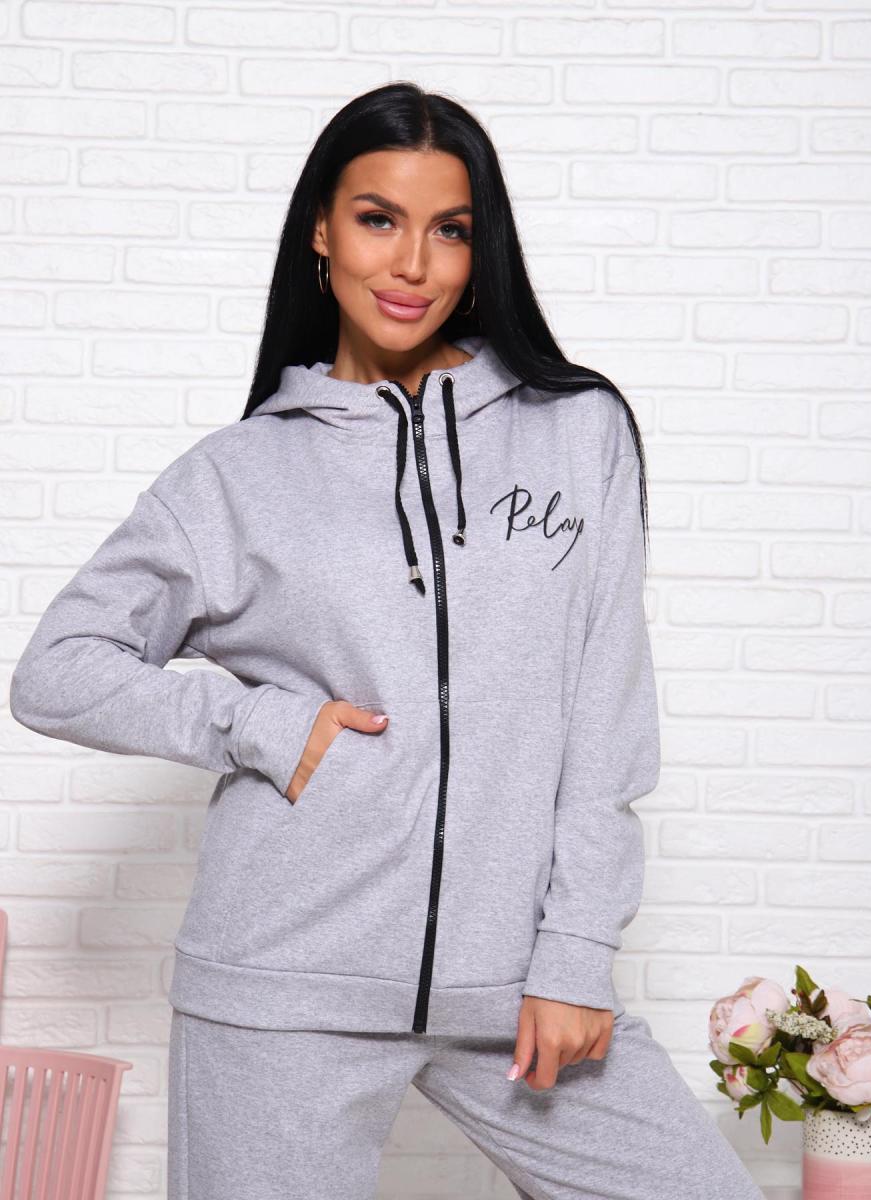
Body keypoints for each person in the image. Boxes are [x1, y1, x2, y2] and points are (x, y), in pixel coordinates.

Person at [9, 82, 765, 1200]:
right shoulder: (236, 477)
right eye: (378, 220)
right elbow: (57, 671)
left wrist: (574, 957)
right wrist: (261, 724)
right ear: (322, 230)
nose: (412, 264)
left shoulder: (577, 432)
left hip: (512, 984)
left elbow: (605, 719)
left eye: (448, 229)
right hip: (282, 984)